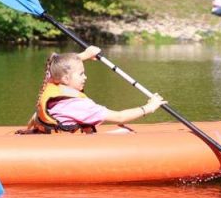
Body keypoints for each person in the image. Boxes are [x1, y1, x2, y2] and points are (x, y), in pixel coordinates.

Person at [27, 45, 167, 133]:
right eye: (81, 74)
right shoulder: (79, 105)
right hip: (73, 148)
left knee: (121, 130)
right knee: (126, 131)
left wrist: (84, 55)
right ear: (65, 79)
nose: (85, 77)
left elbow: (55, 65)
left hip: (55, 138)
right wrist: (149, 107)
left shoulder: (53, 81)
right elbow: (120, 117)